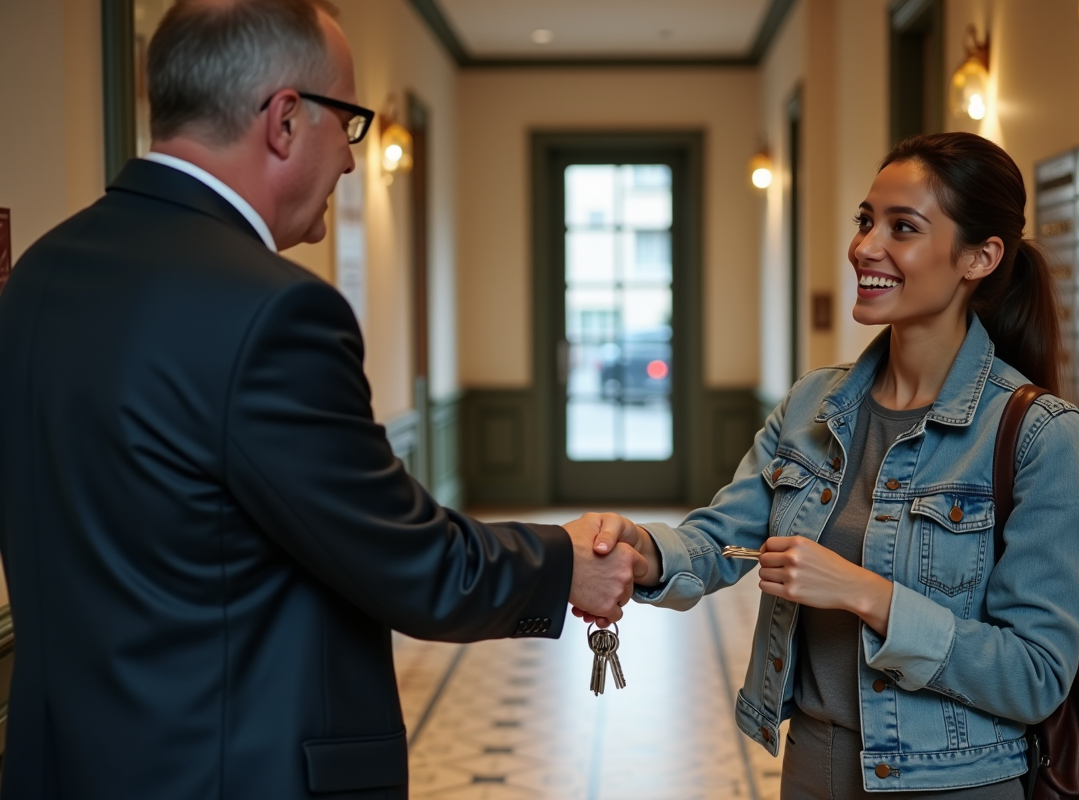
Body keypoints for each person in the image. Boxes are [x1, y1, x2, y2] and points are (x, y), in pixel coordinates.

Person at [0, 1, 643, 798]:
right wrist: (563, 562)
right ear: (284, 119)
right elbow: (407, 559)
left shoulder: (37, 274)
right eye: (348, 122)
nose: (349, 159)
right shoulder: (272, 310)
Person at [585, 132, 1079, 797]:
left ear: (979, 257)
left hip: (957, 781)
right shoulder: (812, 404)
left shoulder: (1040, 436)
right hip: (814, 765)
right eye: (865, 221)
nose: (864, 247)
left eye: (902, 227)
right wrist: (645, 552)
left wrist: (864, 593)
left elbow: (1035, 675)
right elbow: (721, 538)